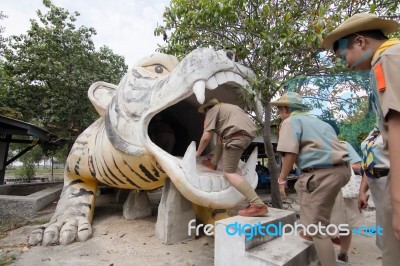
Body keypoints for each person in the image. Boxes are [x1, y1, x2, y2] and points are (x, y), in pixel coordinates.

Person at [322, 13, 400, 265]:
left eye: (344, 55)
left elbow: (397, 128)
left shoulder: (388, 59)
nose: (345, 64)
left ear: (360, 41)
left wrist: (397, 203)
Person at [273, 92, 351, 266]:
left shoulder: (290, 121)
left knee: (318, 230)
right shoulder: (322, 123)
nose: (279, 114)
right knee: (305, 188)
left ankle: (324, 255)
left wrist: (282, 179)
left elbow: (290, 153)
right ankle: (313, 225)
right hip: (342, 170)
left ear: (285, 109)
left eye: (279, 110)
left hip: (322, 173)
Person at [196, 98, 268, 217]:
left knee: (229, 173)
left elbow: (206, 136)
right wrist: (213, 163)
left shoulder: (211, 111)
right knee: (232, 169)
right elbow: (220, 141)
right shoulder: (229, 109)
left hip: (235, 137)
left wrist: (197, 153)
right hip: (246, 135)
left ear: (206, 109)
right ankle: (255, 203)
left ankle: (257, 204)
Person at [358, 126, 389, 250]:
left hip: (392, 182)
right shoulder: (376, 129)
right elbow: (369, 162)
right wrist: (362, 191)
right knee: (386, 236)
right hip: (377, 186)